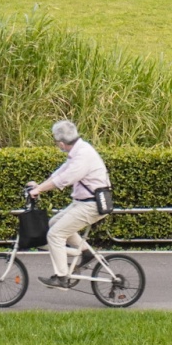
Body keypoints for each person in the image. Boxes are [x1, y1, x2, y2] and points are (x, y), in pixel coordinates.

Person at [28, 119, 110, 289]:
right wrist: (39, 186)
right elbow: (60, 172)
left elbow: (64, 179)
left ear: (61, 143)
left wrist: (40, 190)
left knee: (54, 235)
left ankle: (62, 277)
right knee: (54, 224)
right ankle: (86, 252)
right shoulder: (79, 150)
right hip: (82, 203)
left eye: (56, 143)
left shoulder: (83, 155)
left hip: (91, 205)